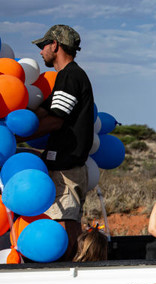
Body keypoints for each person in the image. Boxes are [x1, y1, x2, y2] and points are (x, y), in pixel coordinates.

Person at [24, 25, 94, 261]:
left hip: (66, 164)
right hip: (65, 163)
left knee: (64, 220)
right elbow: (45, 113)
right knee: (66, 218)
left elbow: (55, 120)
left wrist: (18, 137)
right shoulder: (68, 77)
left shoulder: (70, 76)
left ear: (55, 45)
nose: (41, 51)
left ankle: (69, 269)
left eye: (43, 46)